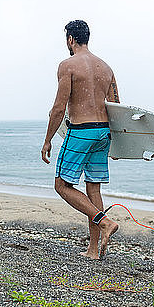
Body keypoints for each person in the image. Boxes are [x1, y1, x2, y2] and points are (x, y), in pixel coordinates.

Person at [41, 20, 121, 259]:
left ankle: (104, 221)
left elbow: (58, 107)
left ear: (70, 40)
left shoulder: (68, 65)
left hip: (81, 131)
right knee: (93, 188)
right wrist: (117, 144)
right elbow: (116, 107)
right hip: (103, 132)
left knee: (62, 185)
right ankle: (94, 250)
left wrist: (47, 140)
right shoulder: (106, 68)